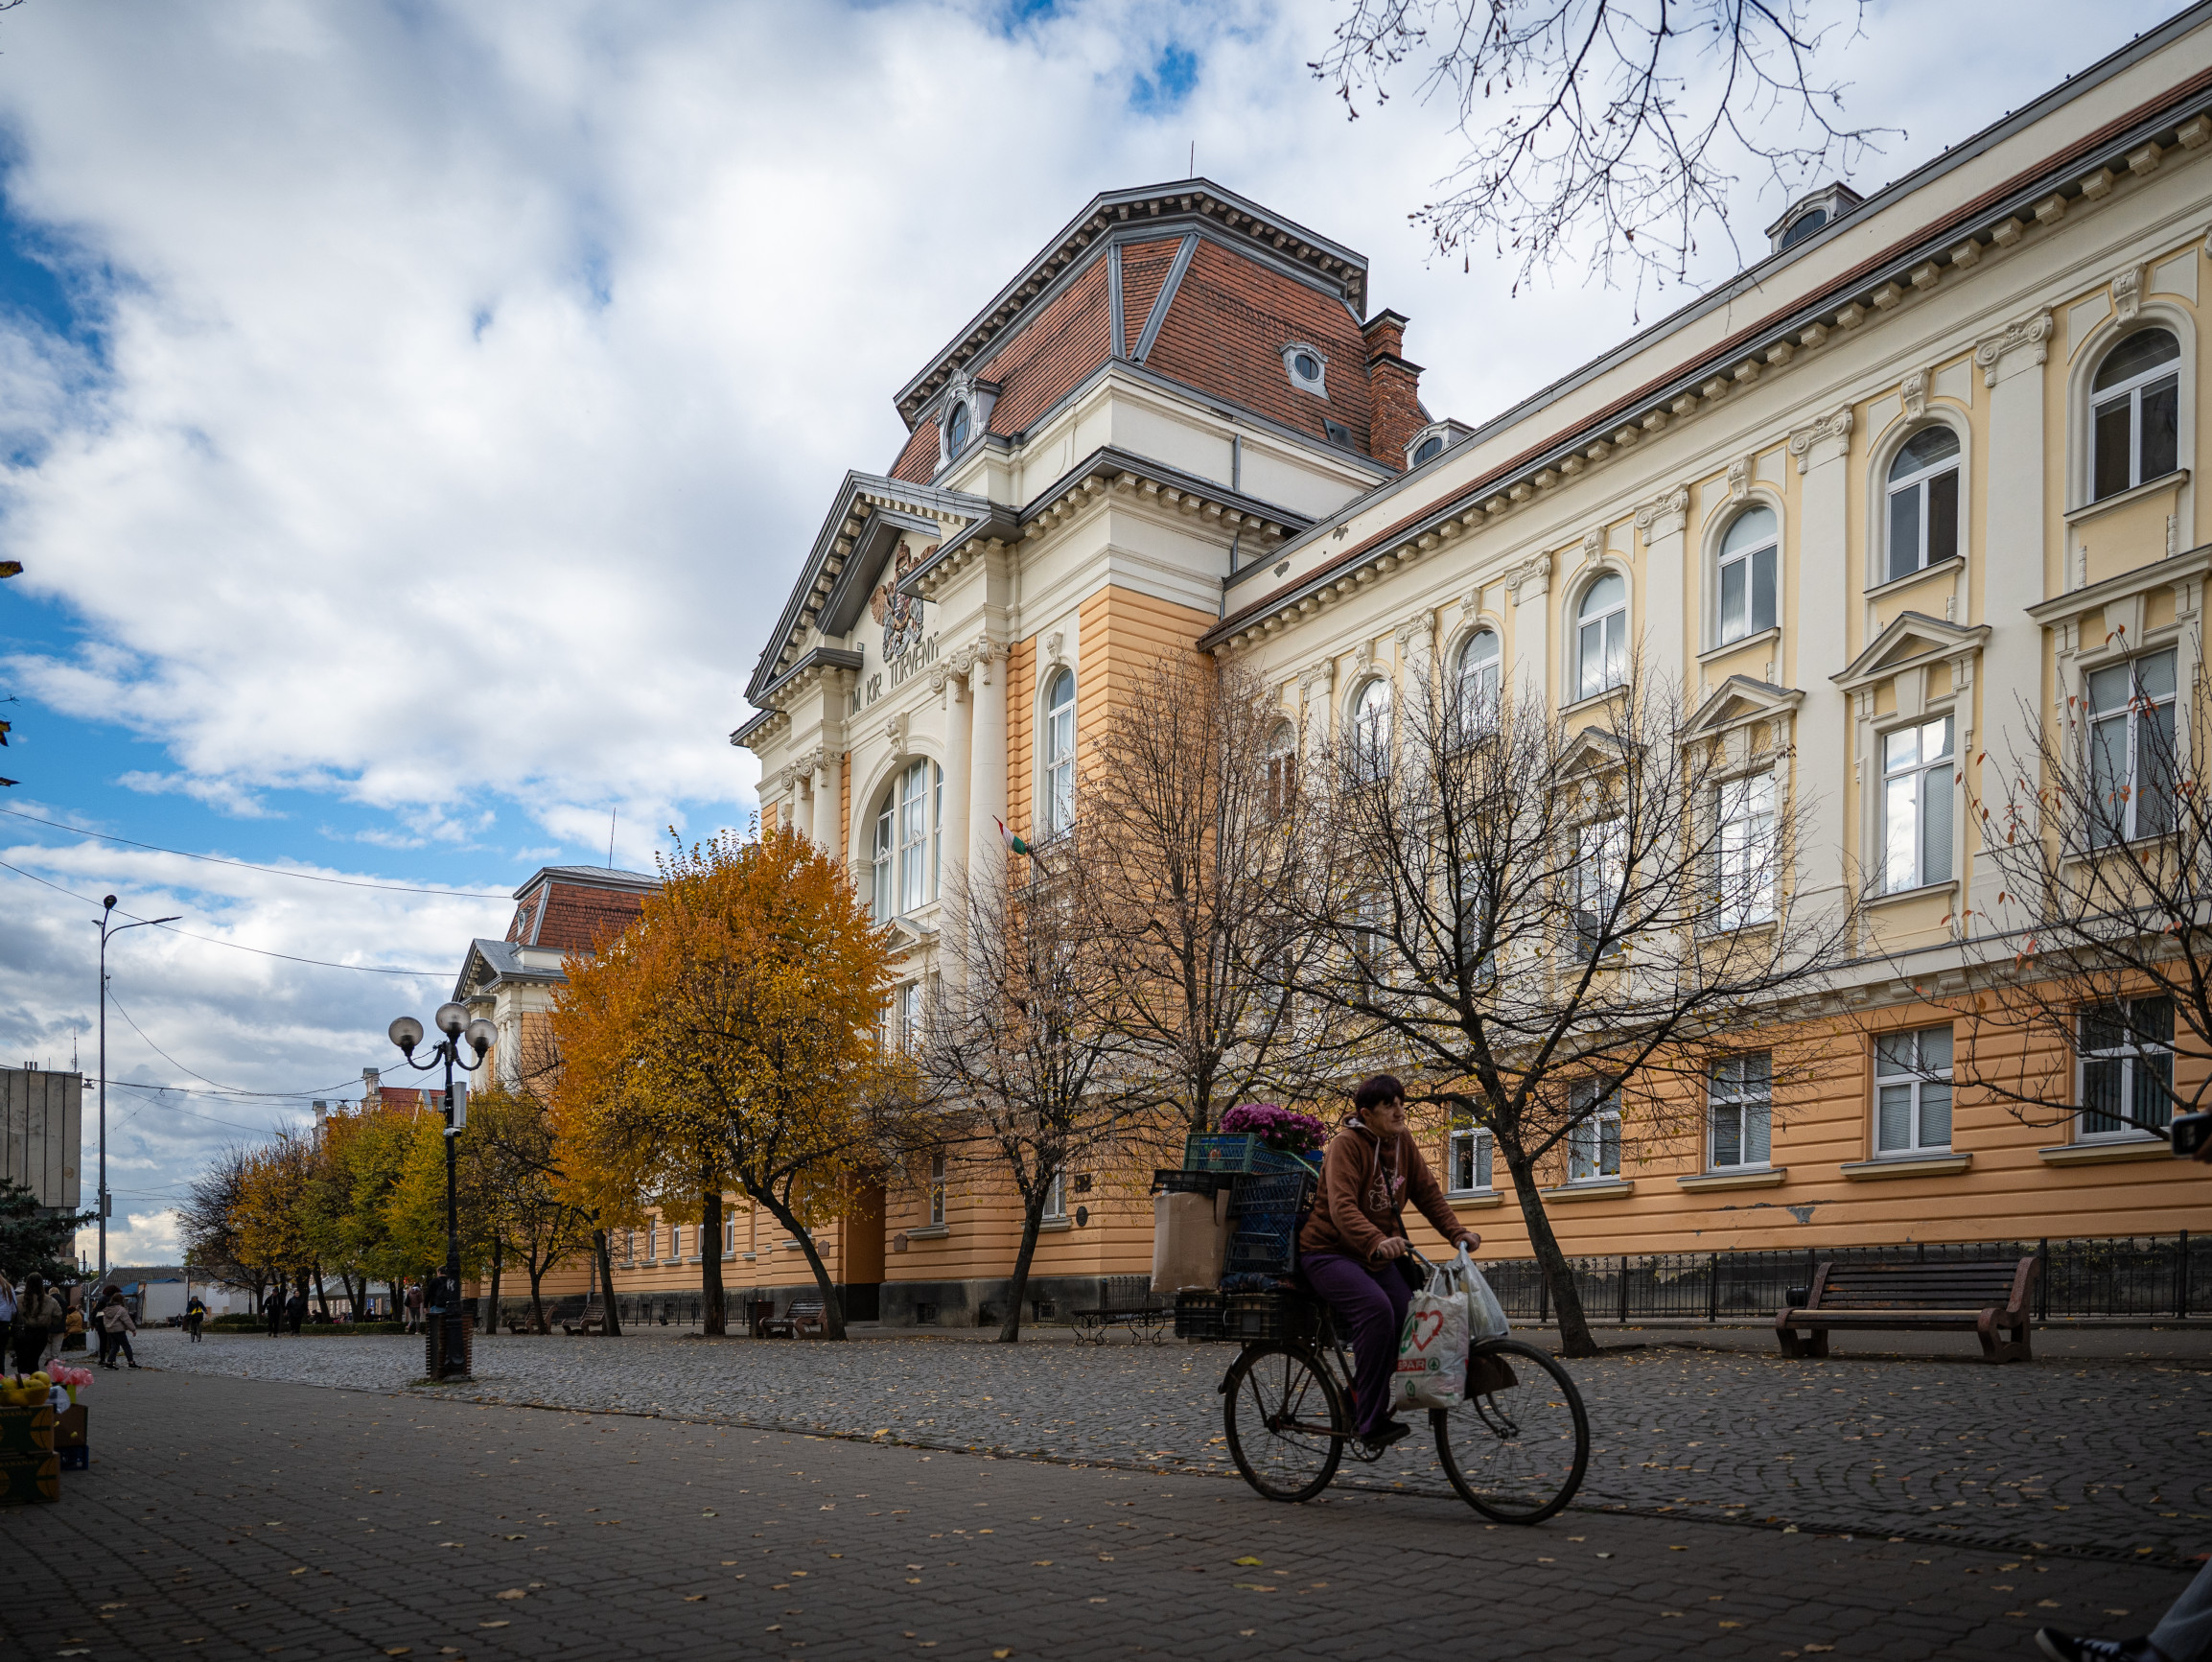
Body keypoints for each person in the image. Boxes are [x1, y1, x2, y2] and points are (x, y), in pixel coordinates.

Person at [1295, 1073, 1480, 1452]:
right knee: (1376, 1311)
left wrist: (1456, 1233)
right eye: (1389, 1105)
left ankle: (1355, 1399)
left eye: (1401, 1102)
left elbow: (1427, 1193)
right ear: (1367, 1113)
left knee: (1411, 1323)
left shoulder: (1403, 1142)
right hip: (1328, 1253)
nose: (1399, 1110)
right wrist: (1378, 1241)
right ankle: (1371, 1421)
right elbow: (1342, 1207)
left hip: (1375, 1256)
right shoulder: (1346, 1146)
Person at [12, 1275, 63, 1375]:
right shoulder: (50, 1300)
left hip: (22, 1332)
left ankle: (23, 1384)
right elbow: (58, 1316)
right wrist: (49, 1322)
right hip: (41, 1333)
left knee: (22, 1362)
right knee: (34, 1361)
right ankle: (35, 1383)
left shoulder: (17, 1299)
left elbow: (11, 1315)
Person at [94, 1287, 139, 1369]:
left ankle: (109, 1362)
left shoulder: (106, 1309)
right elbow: (127, 1320)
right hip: (119, 1330)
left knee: (114, 1346)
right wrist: (133, 1329)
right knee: (126, 1346)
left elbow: (101, 1317)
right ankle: (131, 1362)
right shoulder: (121, 1309)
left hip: (109, 1330)